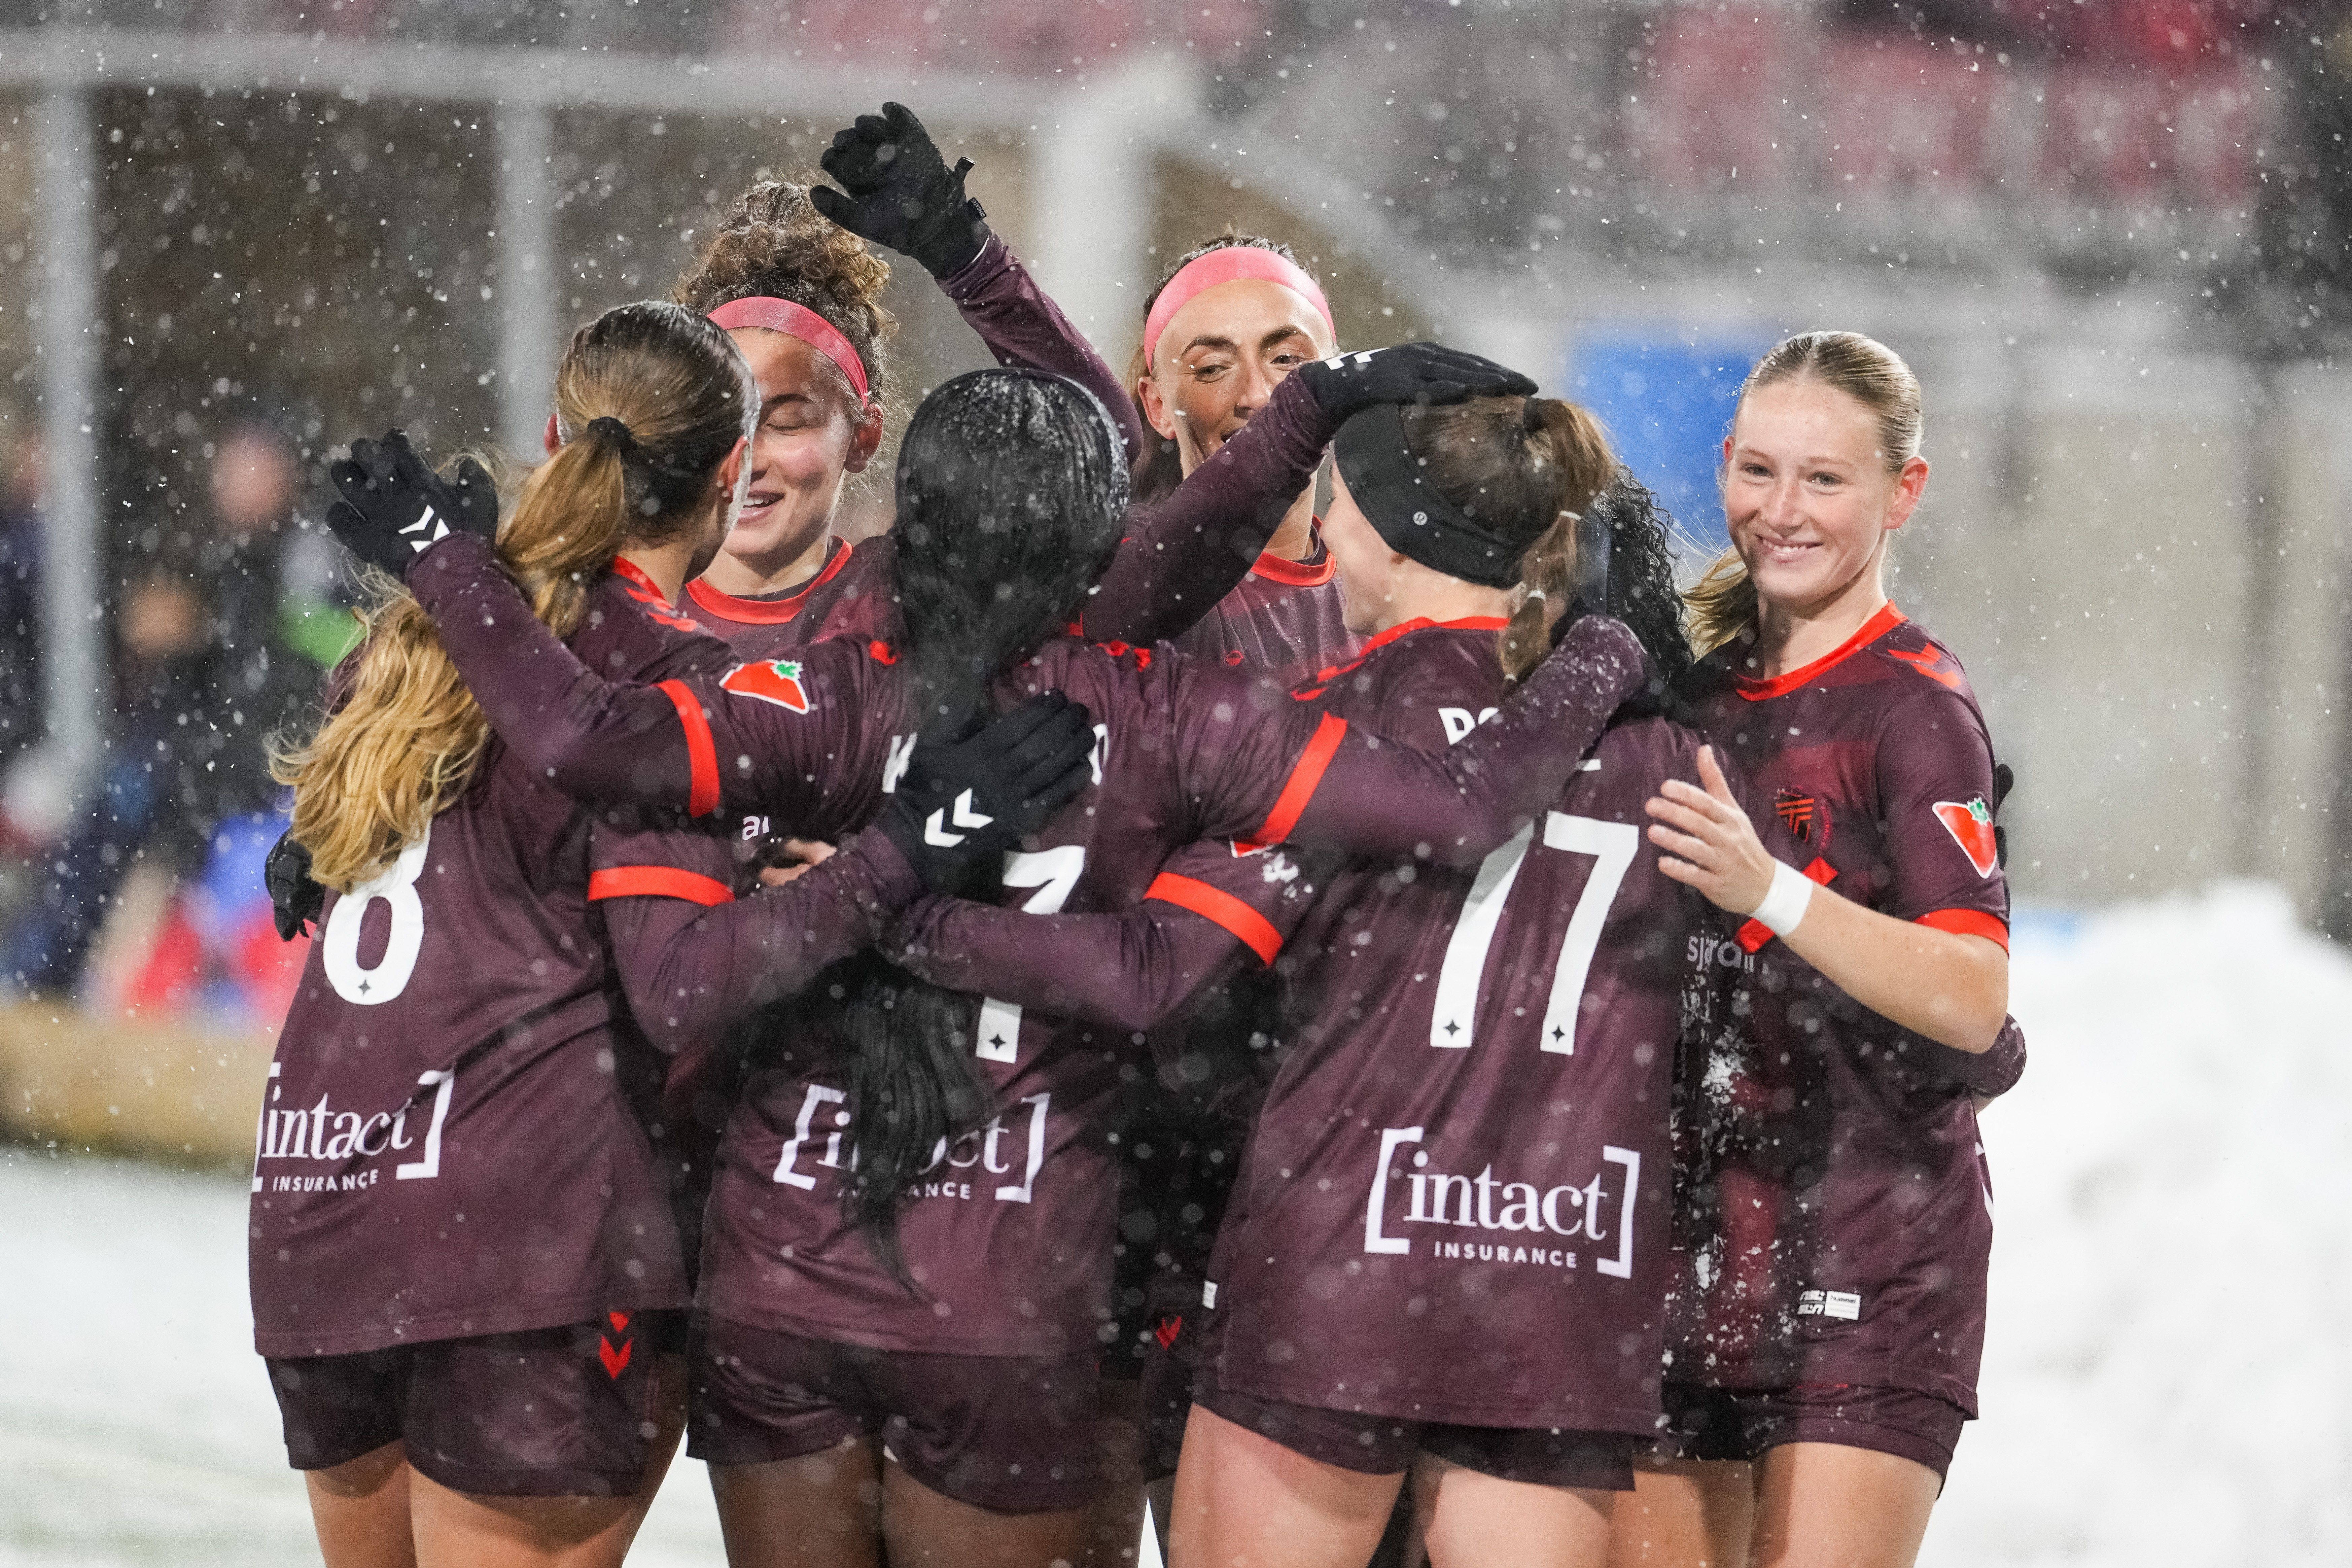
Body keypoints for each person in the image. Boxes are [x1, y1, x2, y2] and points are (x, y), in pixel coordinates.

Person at [326, 360, 1659, 1568]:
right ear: (1095, 536)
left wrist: (448, 560)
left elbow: (584, 741)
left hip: (783, 1262)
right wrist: (1605, 643)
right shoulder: (1181, 716)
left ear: (910, 519)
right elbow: (1460, 810)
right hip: (1008, 1280)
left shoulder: (826, 697)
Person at [252, 302, 1091, 1568]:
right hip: (518, 1239)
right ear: (723, 476)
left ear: (558, 436)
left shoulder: (408, 636)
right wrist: (893, 861)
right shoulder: (668, 683)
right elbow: (682, 989)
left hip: (322, 1207)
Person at [1607, 331, 2018, 1568]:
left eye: (1825, 481)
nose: (1782, 513)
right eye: (1760, 472)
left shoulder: (1916, 709)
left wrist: (1768, 891)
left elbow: (1972, 995)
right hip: (1689, 1247)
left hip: (1870, 1253)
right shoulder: (1688, 696)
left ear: (1905, 493)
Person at [5, 422, 327, 995]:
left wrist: (219, 627)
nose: (238, 486)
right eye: (231, 471)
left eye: (254, 470)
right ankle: (37, 973)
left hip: (261, 797)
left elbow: (310, 655)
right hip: (193, 791)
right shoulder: (203, 552)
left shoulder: (309, 560)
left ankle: (43, 974)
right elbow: (154, 631)